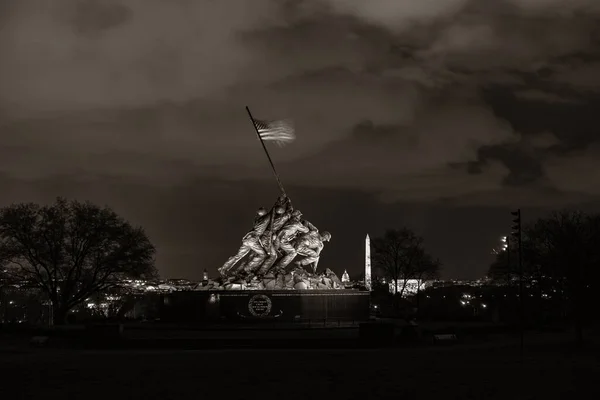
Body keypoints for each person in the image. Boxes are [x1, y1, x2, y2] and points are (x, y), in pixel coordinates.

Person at [219, 207, 270, 276]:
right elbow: (270, 214)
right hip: (252, 240)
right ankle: (248, 268)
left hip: (247, 239)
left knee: (238, 256)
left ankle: (223, 268)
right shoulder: (265, 219)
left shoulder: (256, 219)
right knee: (263, 255)